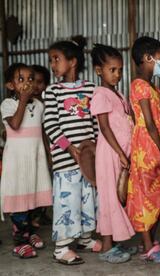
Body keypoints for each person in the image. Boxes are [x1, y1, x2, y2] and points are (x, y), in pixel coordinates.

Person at [43, 36, 101, 265]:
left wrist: (95, 152)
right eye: (51, 60)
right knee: (67, 204)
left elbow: (95, 123)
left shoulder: (90, 88)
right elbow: (50, 124)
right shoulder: (52, 91)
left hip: (87, 160)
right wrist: (70, 149)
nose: (52, 64)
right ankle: (62, 247)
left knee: (88, 199)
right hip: (65, 161)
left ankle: (85, 239)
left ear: (73, 61)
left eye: (56, 59)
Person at [126, 36, 160, 264]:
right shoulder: (139, 85)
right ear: (147, 58)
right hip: (148, 147)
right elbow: (149, 122)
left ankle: (150, 242)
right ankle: (148, 247)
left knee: (155, 196)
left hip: (153, 145)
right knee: (145, 196)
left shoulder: (151, 86)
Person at [0, 63, 52, 258]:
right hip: (17, 163)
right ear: (11, 85)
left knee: (35, 200)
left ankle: (30, 233)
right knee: (20, 201)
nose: (28, 83)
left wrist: (49, 154)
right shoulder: (8, 104)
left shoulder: (39, 106)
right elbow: (14, 124)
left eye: (31, 79)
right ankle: (19, 241)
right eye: (21, 79)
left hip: (35, 161)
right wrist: (22, 100)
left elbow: (45, 132)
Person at [90, 44, 135, 263]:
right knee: (110, 197)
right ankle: (107, 245)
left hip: (120, 153)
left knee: (119, 195)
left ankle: (116, 242)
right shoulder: (100, 94)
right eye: (112, 70)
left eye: (119, 70)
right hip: (109, 154)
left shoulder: (117, 94)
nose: (117, 74)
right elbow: (105, 128)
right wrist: (120, 153)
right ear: (99, 70)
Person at [29, 64, 53, 227]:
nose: (36, 86)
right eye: (32, 81)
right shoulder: (22, 104)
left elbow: (46, 131)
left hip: (43, 148)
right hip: (28, 149)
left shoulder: (46, 105)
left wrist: (48, 152)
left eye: (40, 82)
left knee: (44, 181)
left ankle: (40, 213)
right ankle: (31, 215)